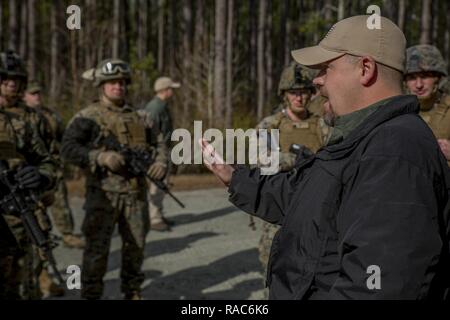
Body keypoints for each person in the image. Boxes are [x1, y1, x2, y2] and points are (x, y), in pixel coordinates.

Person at [200, 16, 450, 299]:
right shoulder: (360, 138)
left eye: (325, 69)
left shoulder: (393, 152)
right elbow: (307, 197)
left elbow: (376, 289)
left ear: (365, 69)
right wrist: (236, 178)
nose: (317, 81)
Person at [61, 59, 168, 300]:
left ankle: (132, 292)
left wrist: (160, 163)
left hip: (135, 196)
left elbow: (159, 142)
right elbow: (67, 148)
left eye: (121, 83)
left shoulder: (141, 117)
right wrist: (99, 156)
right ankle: (91, 294)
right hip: (103, 196)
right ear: (101, 85)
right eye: (112, 83)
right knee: (97, 251)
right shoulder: (87, 117)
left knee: (136, 248)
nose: (118, 87)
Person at [254, 62, 326, 298]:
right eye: (293, 92)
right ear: (284, 95)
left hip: (314, 207)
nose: (299, 97)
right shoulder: (270, 124)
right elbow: (264, 160)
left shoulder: (322, 124)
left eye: (304, 91)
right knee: (274, 271)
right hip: (278, 207)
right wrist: (299, 160)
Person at [0, 51, 57, 299]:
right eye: (4, 79)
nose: (11, 84)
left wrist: (42, 177)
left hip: (15, 216)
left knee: (22, 284)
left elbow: (47, 162)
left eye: (15, 79)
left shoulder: (23, 123)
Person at [24, 82, 85, 249]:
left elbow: (63, 138)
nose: (37, 97)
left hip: (52, 167)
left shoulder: (50, 115)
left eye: (38, 93)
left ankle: (67, 234)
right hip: (29, 171)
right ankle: (40, 241)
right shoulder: (19, 116)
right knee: (35, 209)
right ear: (25, 96)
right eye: (32, 94)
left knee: (60, 201)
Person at [141, 77, 180, 231]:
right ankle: (154, 218)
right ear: (165, 90)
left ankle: (158, 213)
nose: (173, 92)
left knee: (161, 185)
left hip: (164, 150)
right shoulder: (155, 108)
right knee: (156, 186)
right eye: (171, 89)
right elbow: (149, 133)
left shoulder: (162, 106)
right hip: (156, 153)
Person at [404, 44, 450, 161]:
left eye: (425, 77)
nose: (419, 85)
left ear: (437, 78)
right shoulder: (399, 111)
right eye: (412, 78)